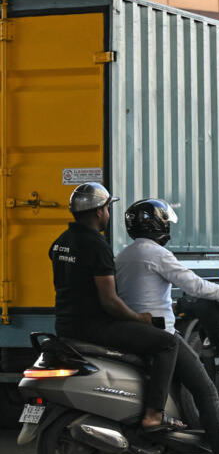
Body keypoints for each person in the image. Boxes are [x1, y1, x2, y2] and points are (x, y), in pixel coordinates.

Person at [114, 198, 219, 454]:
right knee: (206, 390)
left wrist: (174, 307)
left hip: (131, 331)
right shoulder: (156, 253)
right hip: (159, 333)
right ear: (157, 224)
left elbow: (139, 294)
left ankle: (159, 453)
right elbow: (194, 285)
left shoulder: (124, 255)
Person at [50, 183, 181, 435]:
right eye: (108, 209)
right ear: (99, 211)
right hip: (96, 327)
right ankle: (155, 414)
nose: (109, 214)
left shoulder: (60, 242)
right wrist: (139, 318)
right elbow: (109, 301)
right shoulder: (96, 246)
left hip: (65, 325)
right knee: (167, 343)